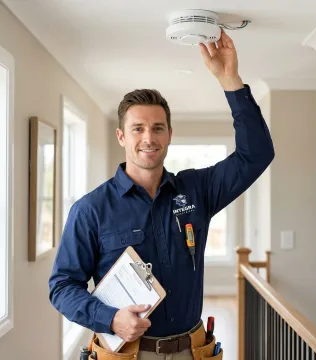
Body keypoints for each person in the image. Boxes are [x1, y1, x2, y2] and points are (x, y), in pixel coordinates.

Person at [49, 29, 274, 359]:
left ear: (169, 134)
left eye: (157, 128)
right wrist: (109, 318)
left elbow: (256, 154)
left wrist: (230, 80)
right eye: (137, 128)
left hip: (192, 350)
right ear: (121, 137)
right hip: (126, 352)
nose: (148, 138)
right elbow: (62, 286)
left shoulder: (197, 191)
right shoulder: (91, 209)